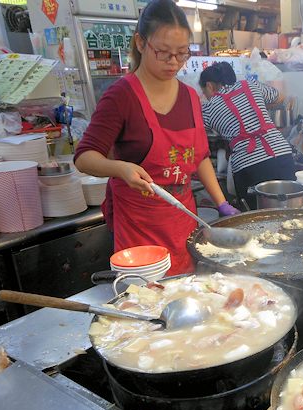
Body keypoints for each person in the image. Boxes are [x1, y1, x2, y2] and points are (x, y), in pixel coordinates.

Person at [74, 0, 238, 275]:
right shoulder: (121, 96)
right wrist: (120, 168)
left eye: (182, 53)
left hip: (182, 220)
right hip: (140, 225)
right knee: (148, 302)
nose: (174, 62)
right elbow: (84, 157)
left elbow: (199, 158)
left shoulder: (189, 97)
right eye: (163, 52)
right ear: (140, 43)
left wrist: (221, 203)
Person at [199, 62, 296, 209]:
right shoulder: (250, 85)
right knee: (289, 210)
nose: (206, 97)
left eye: (205, 92)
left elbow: (195, 131)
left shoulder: (209, 108)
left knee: (254, 217)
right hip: (281, 154)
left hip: (249, 165)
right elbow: (280, 98)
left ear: (210, 86)